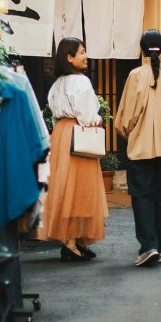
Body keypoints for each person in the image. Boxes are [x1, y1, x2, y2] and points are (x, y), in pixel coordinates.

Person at [115, 29, 161, 267]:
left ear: (142, 49)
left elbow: (125, 117)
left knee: (142, 196)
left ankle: (149, 245)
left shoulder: (135, 75)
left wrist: (125, 131)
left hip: (141, 148)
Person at [39, 37, 109, 262]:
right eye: (82, 52)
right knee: (81, 188)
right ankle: (73, 240)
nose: (86, 56)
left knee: (64, 187)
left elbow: (54, 110)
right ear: (70, 57)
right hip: (78, 135)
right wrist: (97, 119)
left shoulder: (57, 83)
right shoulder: (81, 82)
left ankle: (71, 239)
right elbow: (88, 116)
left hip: (60, 134)